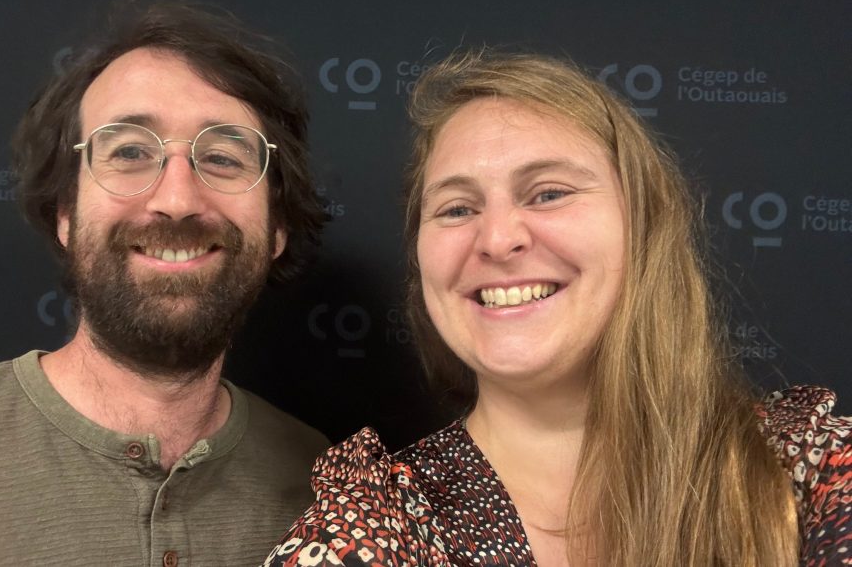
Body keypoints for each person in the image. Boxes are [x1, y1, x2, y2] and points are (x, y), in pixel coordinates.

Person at [264, 51, 852, 566]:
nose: (498, 239)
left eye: (549, 193)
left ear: (645, 226)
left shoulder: (805, 467)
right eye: (457, 209)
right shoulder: (370, 528)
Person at [0, 1, 331, 565]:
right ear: (65, 213)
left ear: (276, 229)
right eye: (130, 151)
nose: (177, 199)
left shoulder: (329, 490)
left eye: (224, 157)